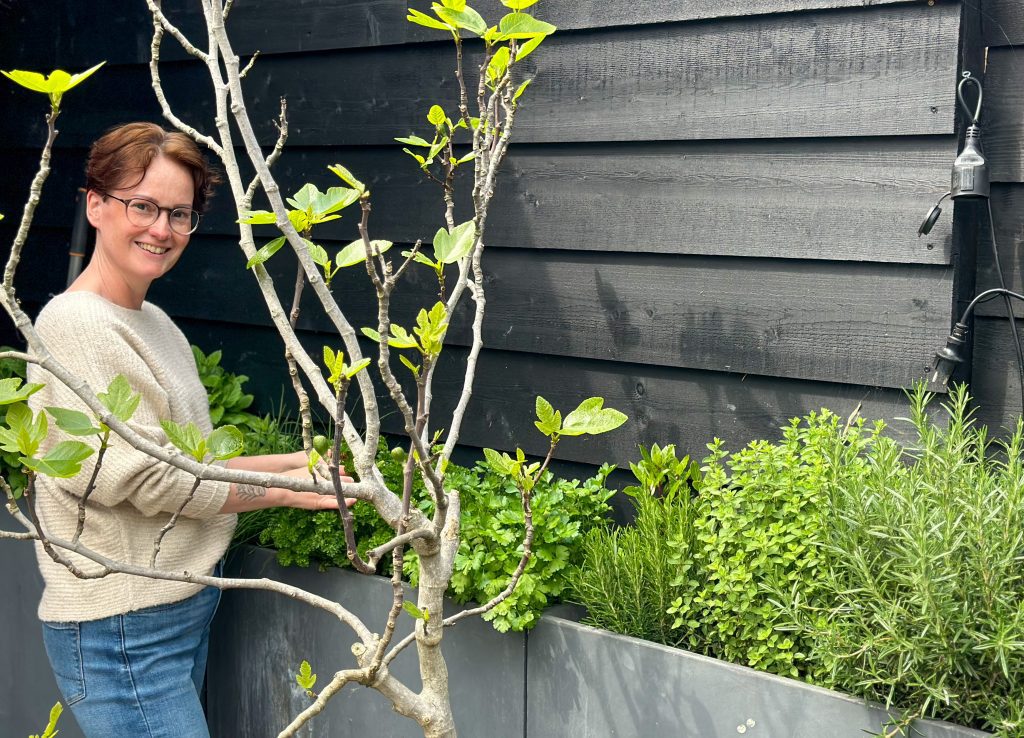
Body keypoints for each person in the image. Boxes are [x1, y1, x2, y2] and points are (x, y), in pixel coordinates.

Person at [26, 122, 346, 738]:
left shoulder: (153, 322)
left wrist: (290, 461)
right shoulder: (78, 325)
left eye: (179, 213)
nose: (161, 229)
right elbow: (152, 480)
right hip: (121, 625)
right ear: (95, 204)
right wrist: (287, 490)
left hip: (172, 608)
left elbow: (181, 462)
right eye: (142, 206)